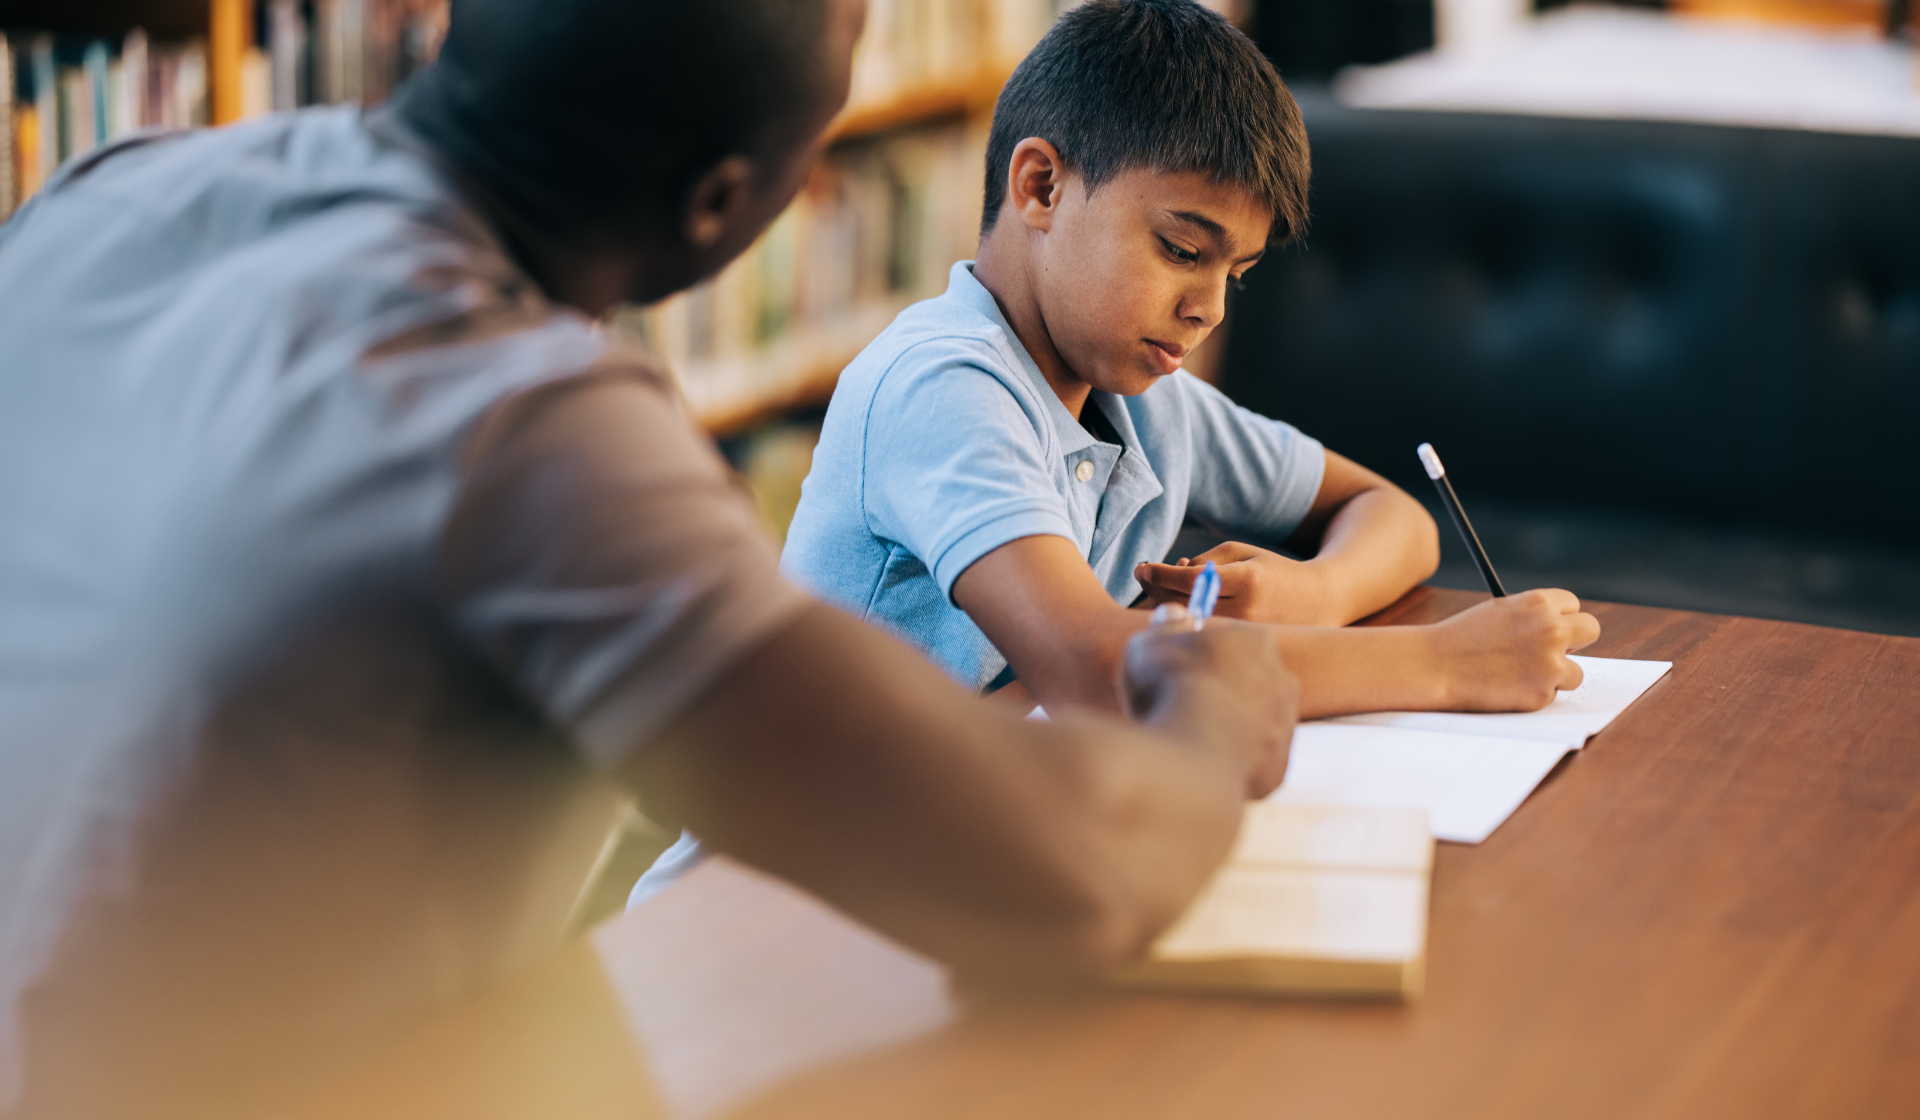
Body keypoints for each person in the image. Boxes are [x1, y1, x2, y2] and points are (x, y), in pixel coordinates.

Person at [0, 2, 1298, 1117]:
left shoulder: (116, 190)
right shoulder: (529, 429)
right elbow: (1066, 883)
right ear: (723, 208)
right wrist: (1206, 710)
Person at [775, 0, 1601, 720]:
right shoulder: (942, 383)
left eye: (1235, 274)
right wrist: (1448, 665)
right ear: (1041, 188)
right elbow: (1095, 669)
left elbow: (1395, 517)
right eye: (1180, 249)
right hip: (788, 880)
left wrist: (1317, 593)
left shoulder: (1144, 400)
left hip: (977, 827)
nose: (1208, 308)